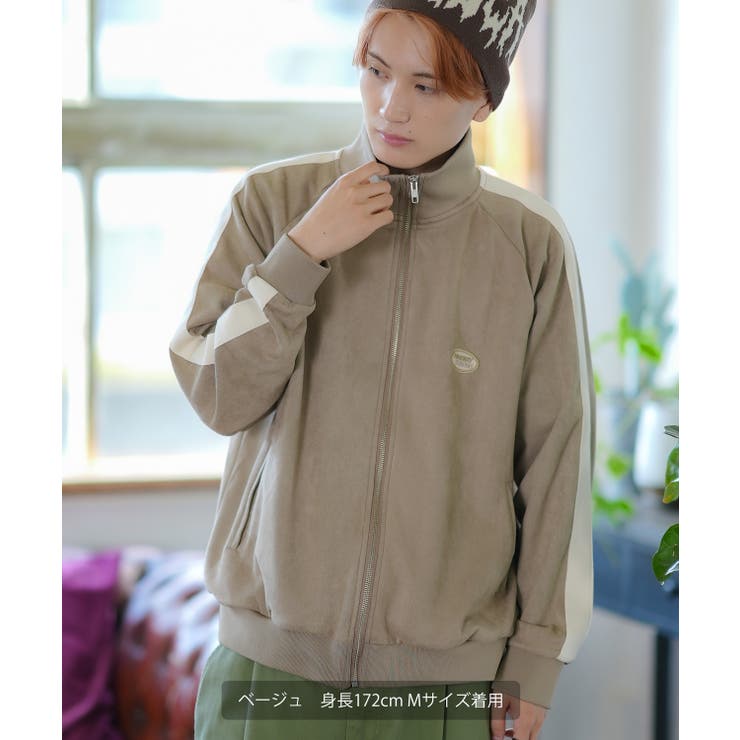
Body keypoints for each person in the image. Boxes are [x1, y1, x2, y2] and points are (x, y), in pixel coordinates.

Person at [169, 1, 596, 738]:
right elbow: (217, 395)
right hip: (269, 672)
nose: (390, 107)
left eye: (426, 86)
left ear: (482, 98)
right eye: (375, 72)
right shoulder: (272, 204)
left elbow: (558, 459)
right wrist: (301, 256)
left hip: (444, 688)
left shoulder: (529, 244)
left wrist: (535, 662)